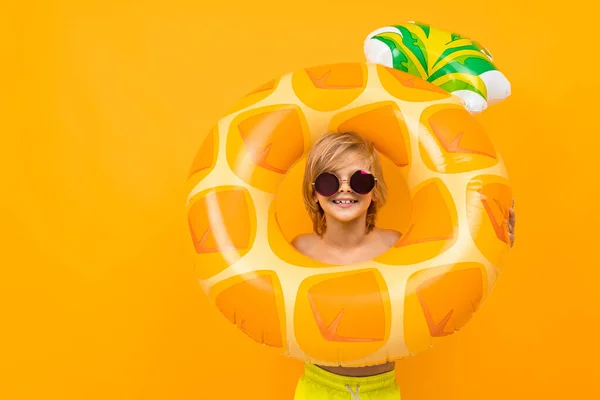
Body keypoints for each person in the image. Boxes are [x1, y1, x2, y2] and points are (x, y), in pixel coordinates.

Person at [291, 131, 516, 400]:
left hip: (381, 390)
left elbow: (443, 289)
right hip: (317, 388)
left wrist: (492, 246)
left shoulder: (395, 246)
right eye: (329, 181)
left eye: (359, 180)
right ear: (314, 193)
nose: (345, 189)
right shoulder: (301, 250)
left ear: (374, 190)